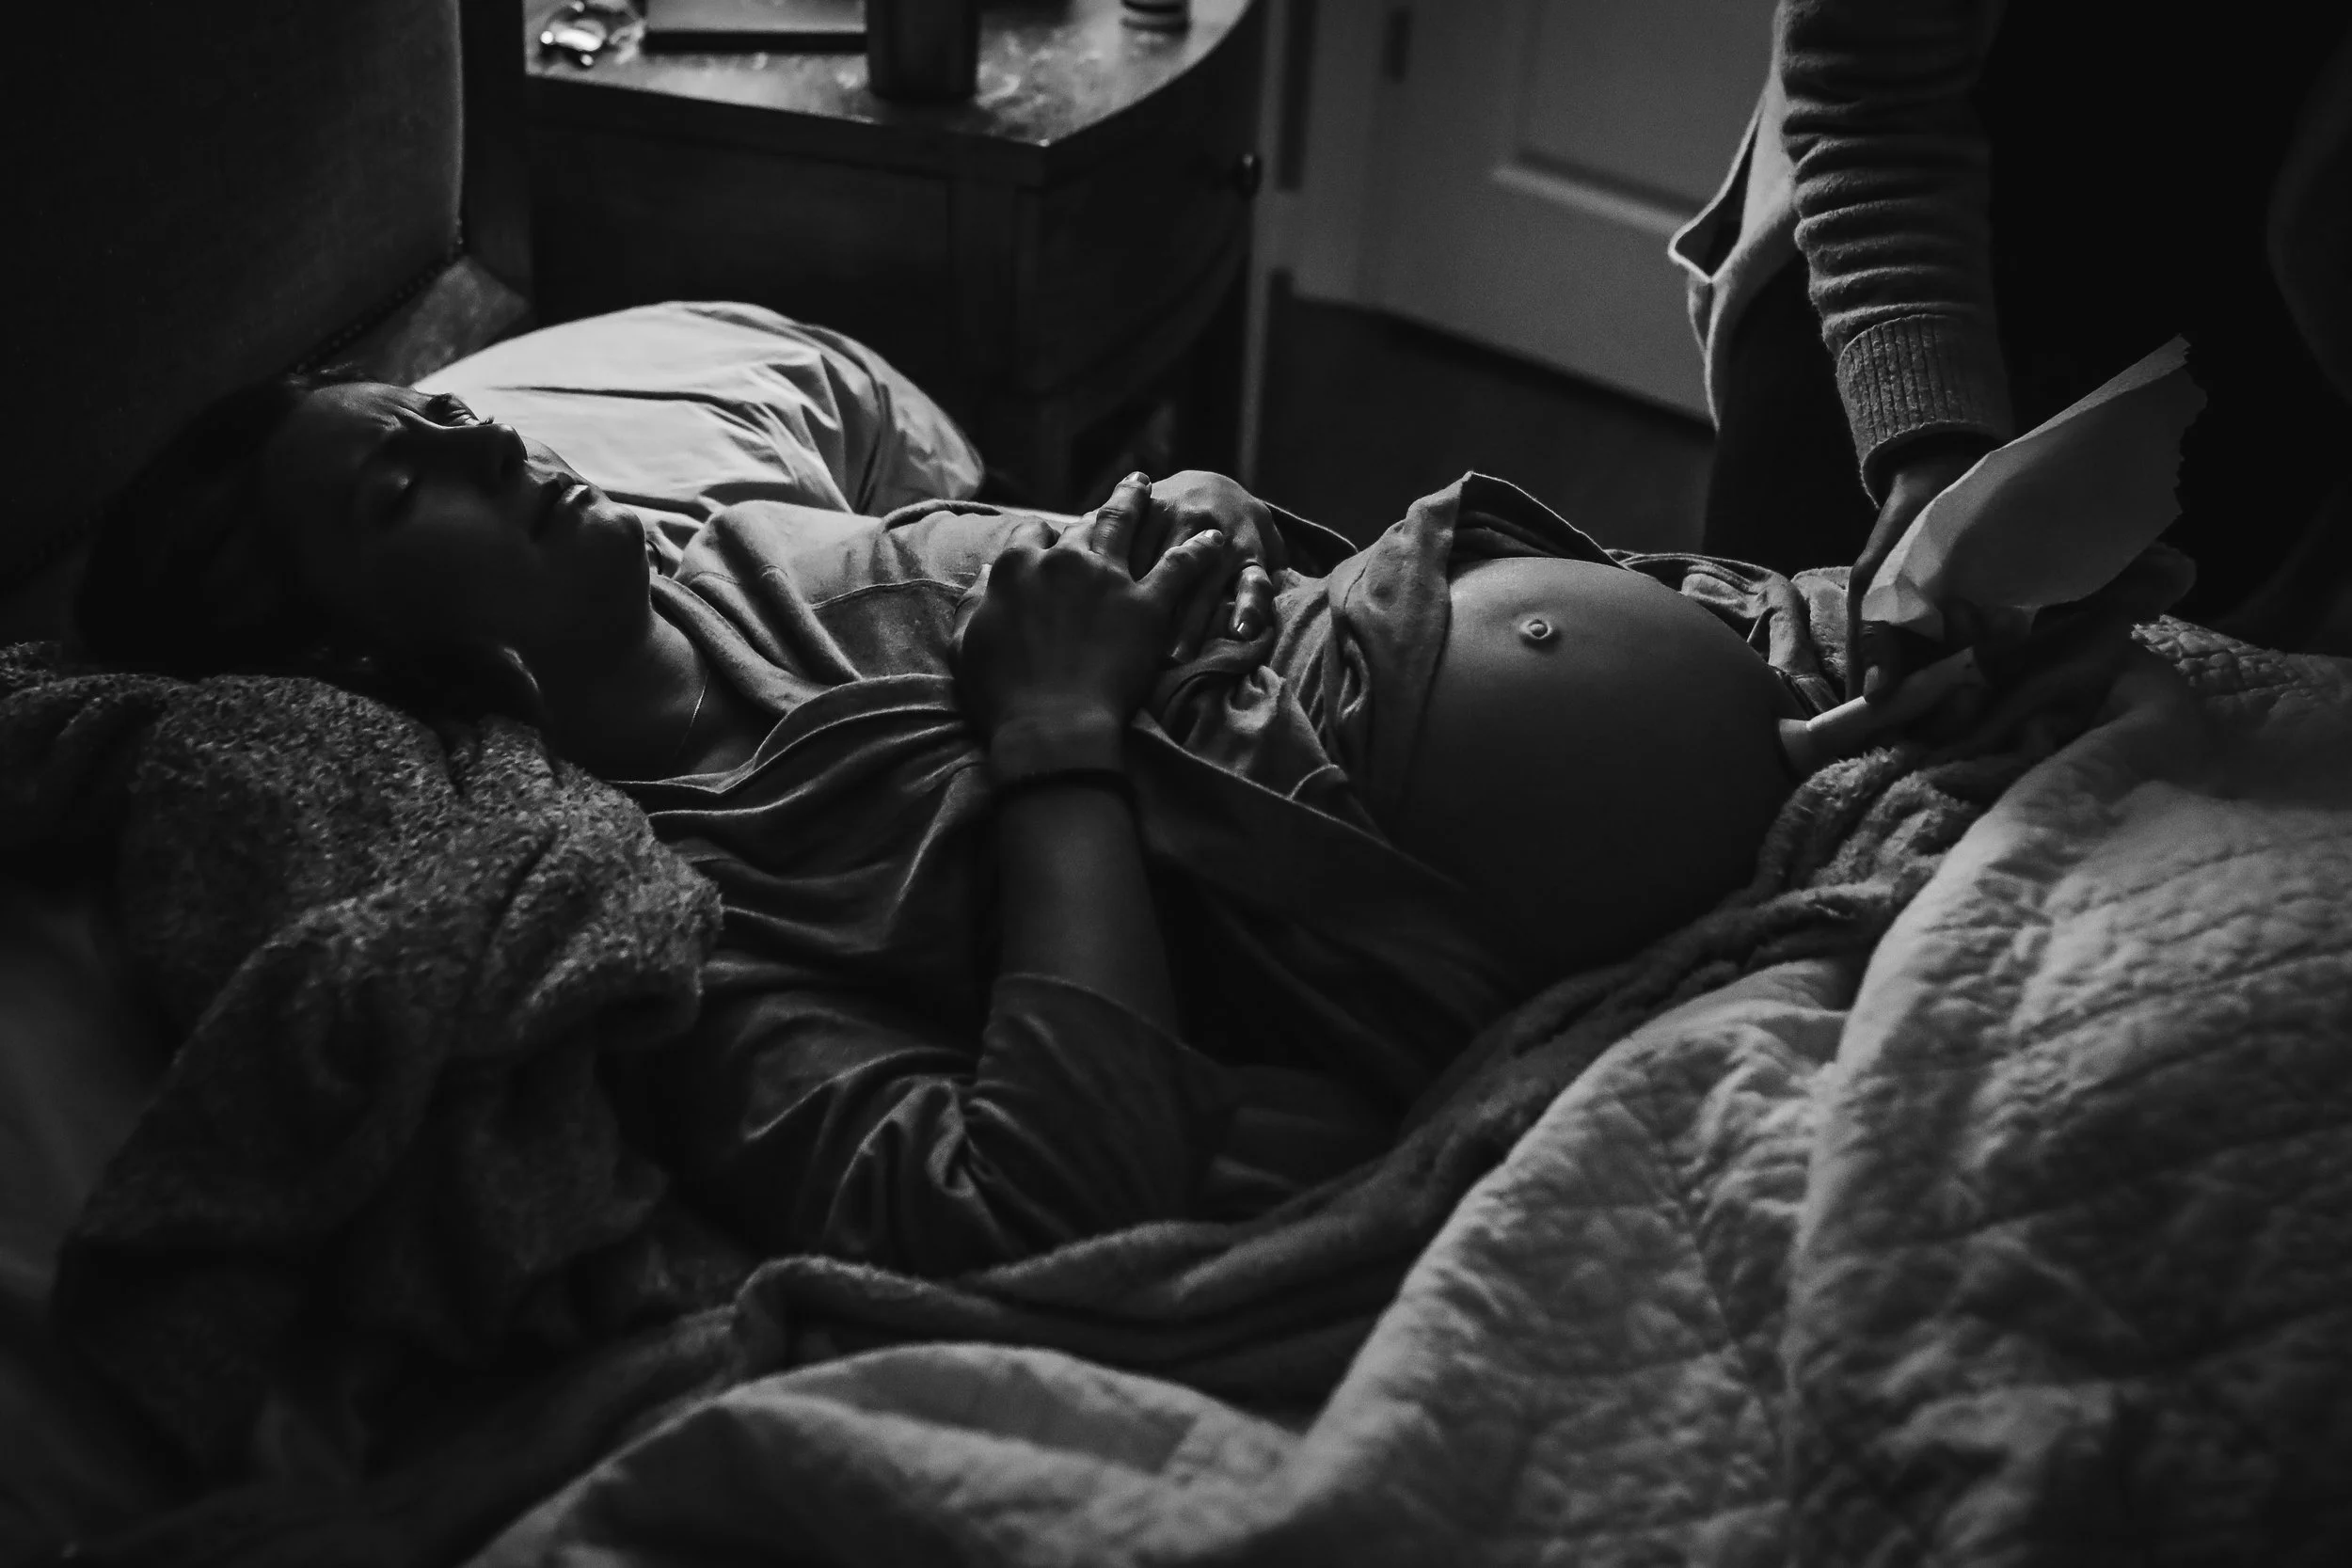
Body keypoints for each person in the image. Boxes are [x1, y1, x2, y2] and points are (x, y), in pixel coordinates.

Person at [72, 376, 1801, 1275]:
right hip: (1493, 917)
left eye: (442, 409)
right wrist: (1056, 739)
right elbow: (1023, 1198)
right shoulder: (653, 914)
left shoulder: (745, 547)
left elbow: (1103, 558)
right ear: (350, 664)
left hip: (1678, 654)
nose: (483, 439)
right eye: (405, 485)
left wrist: (1190, 529)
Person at [1674, 0, 2352, 699]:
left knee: (2122, 753)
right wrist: (1924, 442)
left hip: (2260, 370)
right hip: (1879, 245)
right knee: (1747, 698)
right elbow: (1869, 96)